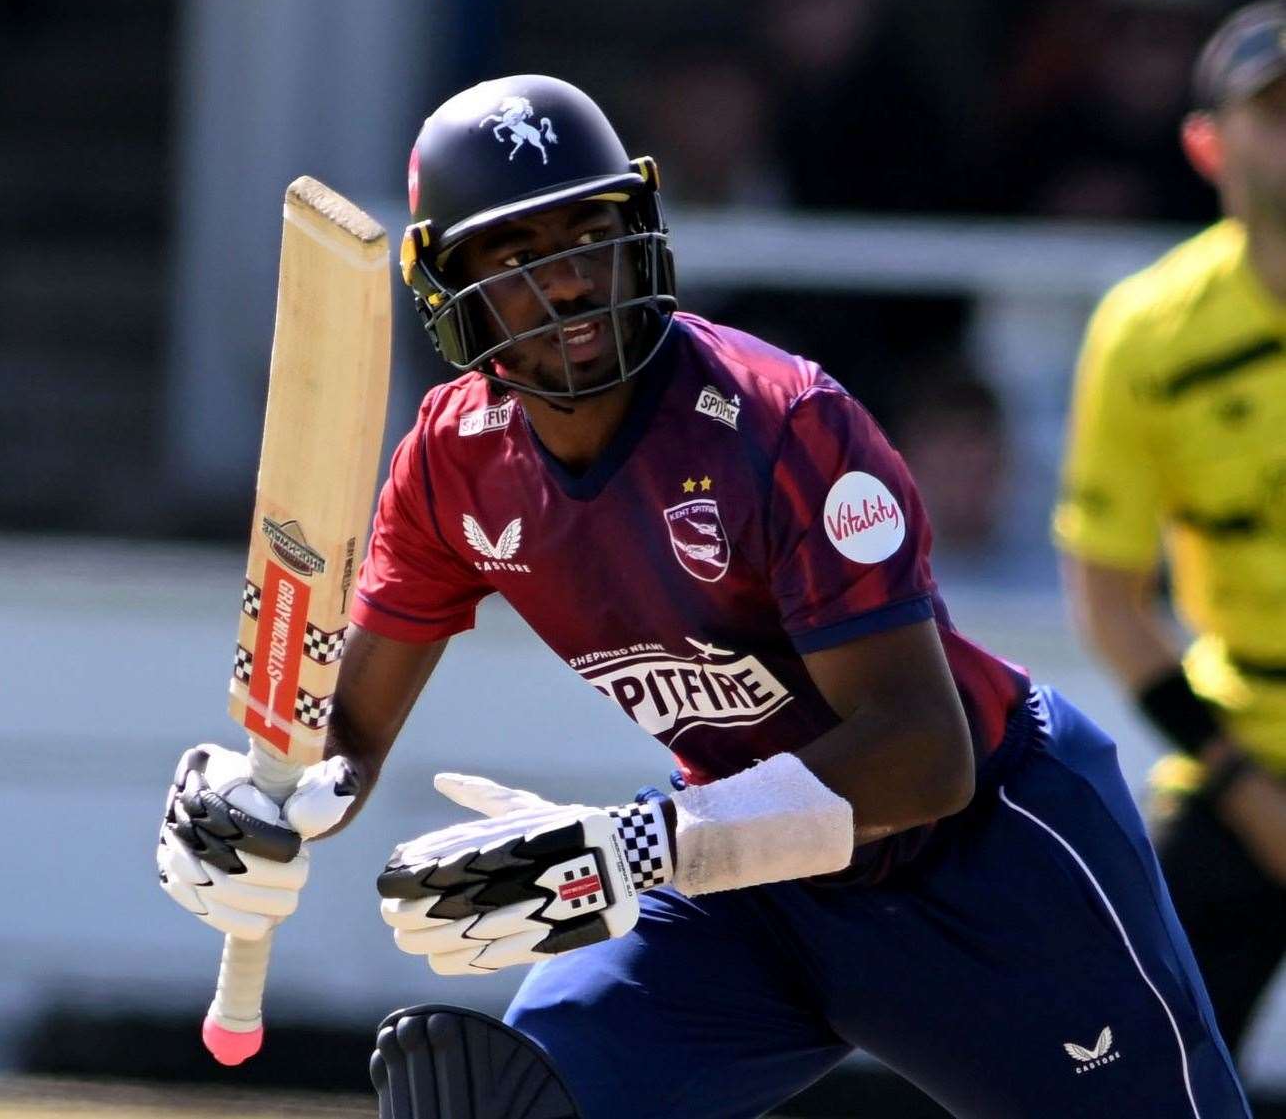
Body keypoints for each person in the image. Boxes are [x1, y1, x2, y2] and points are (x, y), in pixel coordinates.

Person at [157, 74, 1248, 1118]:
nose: (570, 280)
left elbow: (923, 752)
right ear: (451, 289)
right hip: (747, 885)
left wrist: (629, 847)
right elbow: (345, 732)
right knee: (497, 1098)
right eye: (519, 254)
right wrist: (263, 802)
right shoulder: (455, 456)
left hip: (981, 856)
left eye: (589, 235)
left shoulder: (781, 422)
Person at [1055, 0, 1286, 1067]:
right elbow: (1108, 601)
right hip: (1237, 762)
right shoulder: (1147, 329)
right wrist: (1246, 790)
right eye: (1274, 109)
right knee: (1132, 1060)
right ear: (1206, 142)